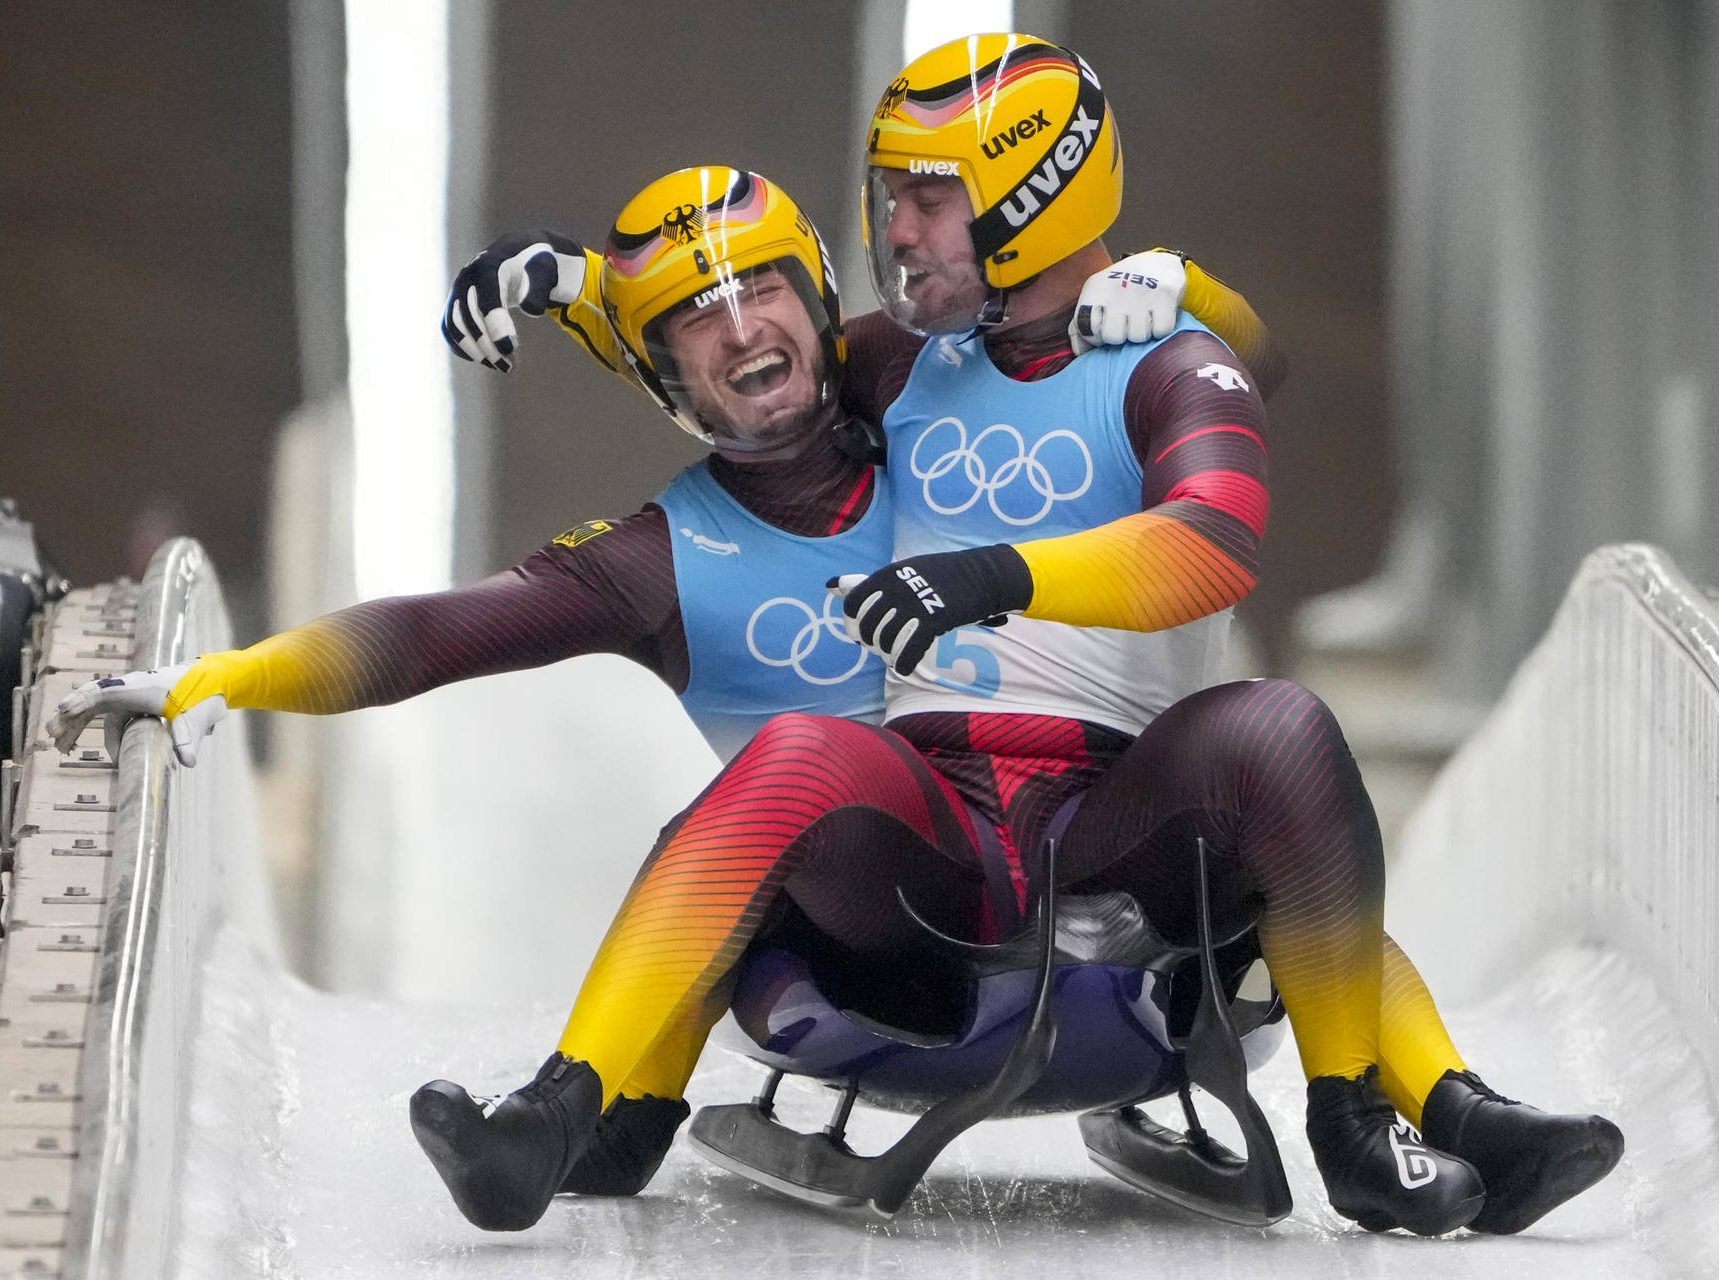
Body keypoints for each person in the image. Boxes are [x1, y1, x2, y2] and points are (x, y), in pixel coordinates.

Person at [384, 35, 1617, 1239]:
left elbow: (1214, 538)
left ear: (1034, 197)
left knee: (1282, 734)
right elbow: (745, 342)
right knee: (799, 753)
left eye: (929, 198)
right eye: (892, 197)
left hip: (1120, 821)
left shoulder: (1168, 363)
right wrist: (575, 285)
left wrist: (1000, 566)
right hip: (941, 824)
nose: (898, 230)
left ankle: (1362, 1126)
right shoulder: (908, 357)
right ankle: (552, 1116)